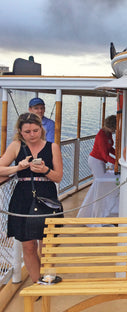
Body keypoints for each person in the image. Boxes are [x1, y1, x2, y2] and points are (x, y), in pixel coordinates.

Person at [0, 113, 63, 283]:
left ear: (41, 129)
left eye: (35, 130)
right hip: (22, 197)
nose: (32, 134)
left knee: (46, 245)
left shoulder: (52, 147)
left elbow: (58, 177)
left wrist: (45, 171)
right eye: (27, 131)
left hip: (47, 197)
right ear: (20, 132)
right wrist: (17, 168)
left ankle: (48, 277)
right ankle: (38, 283)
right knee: (28, 246)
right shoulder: (15, 146)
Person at [88, 115, 116, 179]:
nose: (115, 130)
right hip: (95, 160)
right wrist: (116, 162)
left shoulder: (108, 134)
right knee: (100, 181)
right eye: (114, 128)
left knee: (100, 181)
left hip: (101, 160)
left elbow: (109, 148)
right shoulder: (101, 136)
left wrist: (118, 155)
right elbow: (105, 156)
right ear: (111, 127)